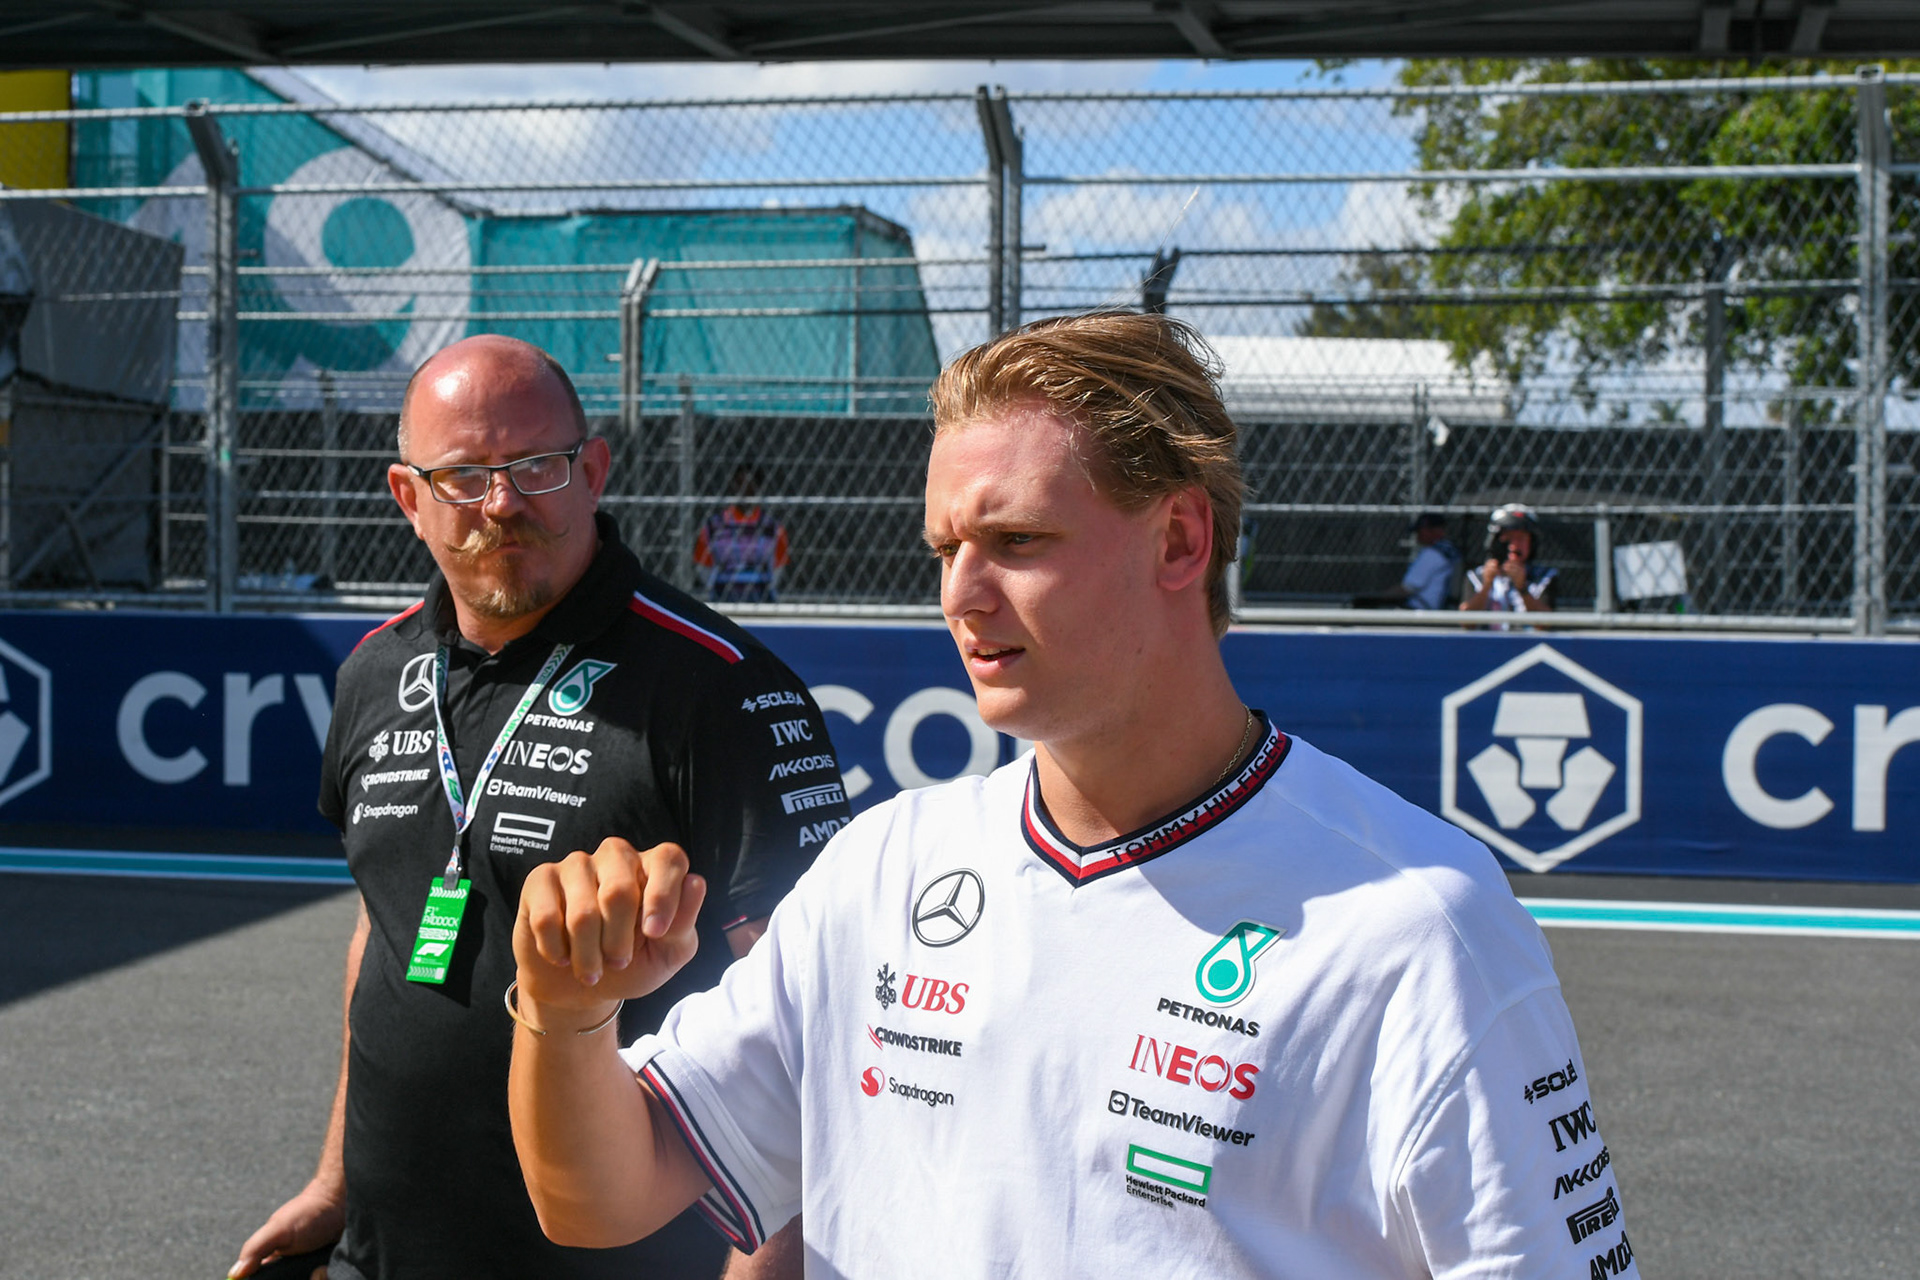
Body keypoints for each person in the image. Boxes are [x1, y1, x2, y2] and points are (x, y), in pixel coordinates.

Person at [504, 314, 1636, 1278]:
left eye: (1017, 540)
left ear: (1181, 538)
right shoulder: (881, 866)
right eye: (945, 546)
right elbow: (601, 1193)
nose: (962, 593)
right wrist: (565, 1013)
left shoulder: (1420, 923)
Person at [229, 334, 846, 1280]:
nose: (504, 503)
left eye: (536, 466)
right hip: (383, 1252)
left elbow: (811, 1026)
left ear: (592, 470)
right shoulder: (373, 671)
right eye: (464, 475)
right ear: (409, 498)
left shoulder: (718, 690)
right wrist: (332, 1186)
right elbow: (386, 940)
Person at [694, 464, 790, 603]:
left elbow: (777, 569)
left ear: (758, 487)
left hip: (761, 598)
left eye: (750, 484)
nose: (745, 490)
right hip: (723, 597)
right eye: (739, 484)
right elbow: (704, 567)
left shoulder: (773, 528)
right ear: (732, 487)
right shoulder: (714, 526)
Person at [1460, 502, 1556, 617]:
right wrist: (1486, 586)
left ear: (1532, 544)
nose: (1514, 546)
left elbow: (1545, 623)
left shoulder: (1544, 576)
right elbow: (1466, 621)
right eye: (1508, 538)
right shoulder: (1477, 575)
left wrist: (1522, 588)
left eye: (1520, 539)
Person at [1353, 511, 1460, 610]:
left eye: (1421, 530)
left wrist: (1376, 599)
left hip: (1420, 609)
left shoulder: (1432, 554)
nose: (1417, 535)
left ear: (1435, 530)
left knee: (1363, 606)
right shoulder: (1449, 550)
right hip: (1435, 607)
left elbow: (1406, 590)